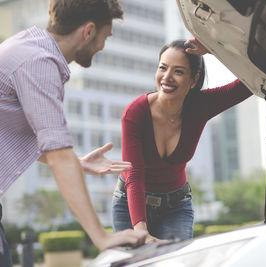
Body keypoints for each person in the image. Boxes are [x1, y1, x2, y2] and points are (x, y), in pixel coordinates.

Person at [0, 1, 146, 266]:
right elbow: (58, 156)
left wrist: (77, 163)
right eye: (106, 36)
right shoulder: (38, 62)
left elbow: (33, 140)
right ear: (89, 31)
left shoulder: (27, 47)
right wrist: (102, 237)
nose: (103, 45)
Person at [112, 38, 253, 242]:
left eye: (178, 71)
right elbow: (134, 174)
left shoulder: (201, 105)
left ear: (193, 80)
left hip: (175, 207)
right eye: (163, 68)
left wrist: (215, 50)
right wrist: (140, 229)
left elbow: (247, 84)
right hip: (130, 206)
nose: (166, 77)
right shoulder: (135, 113)